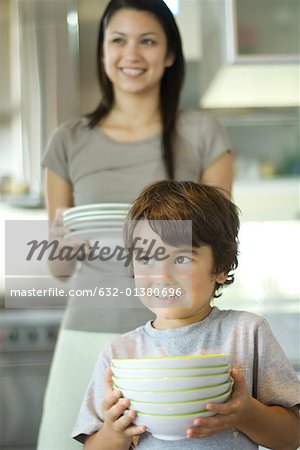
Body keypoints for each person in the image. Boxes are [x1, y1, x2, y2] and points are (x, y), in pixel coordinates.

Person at [37, 0, 234, 448]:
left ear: (169, 54)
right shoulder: (68, 140)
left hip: (183, 336)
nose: (132, 54)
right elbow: (58, 269)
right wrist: (62, 244)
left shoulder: (204, 133)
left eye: (148, 41)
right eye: (118, 40)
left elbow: (219, 240)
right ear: (103, 53)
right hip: (88, 329)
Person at [72, 180, 300, 450]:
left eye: (181, 259)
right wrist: (115, 431)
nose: (162, 276)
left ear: (221, 267)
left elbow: (291, 436)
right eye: (146, 258)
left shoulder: (248, 333)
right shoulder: (119, 353)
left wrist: (246, 413)